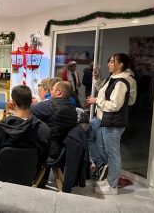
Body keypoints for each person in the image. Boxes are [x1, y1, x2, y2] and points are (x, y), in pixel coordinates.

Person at [86, 53, 137, 195]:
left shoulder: (122, 81)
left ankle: (112, 185)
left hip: (113, 122)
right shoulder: (113, 78)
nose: (108, 64)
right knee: (105, 151)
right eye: (109, 61)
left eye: (112, 62)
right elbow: (103, 91)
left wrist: (97, 101)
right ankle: (108, 180)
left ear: (120, 65)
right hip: (105, 119)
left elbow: (115, 105)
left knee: (113, 154)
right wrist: (97, 81)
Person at [0, 85, 51, 169]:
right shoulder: (43, 129)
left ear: (13, 103)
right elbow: (45, 156)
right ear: (31, 101)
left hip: (1, 174)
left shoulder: (2, 127)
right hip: (30, 176)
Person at [31, 81, 77, 160]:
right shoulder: (73, 109)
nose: (50, 92)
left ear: (59, 92)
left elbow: (26, 109)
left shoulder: (51, 105)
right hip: (64, 150)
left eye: (52, 89)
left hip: (48, 149)